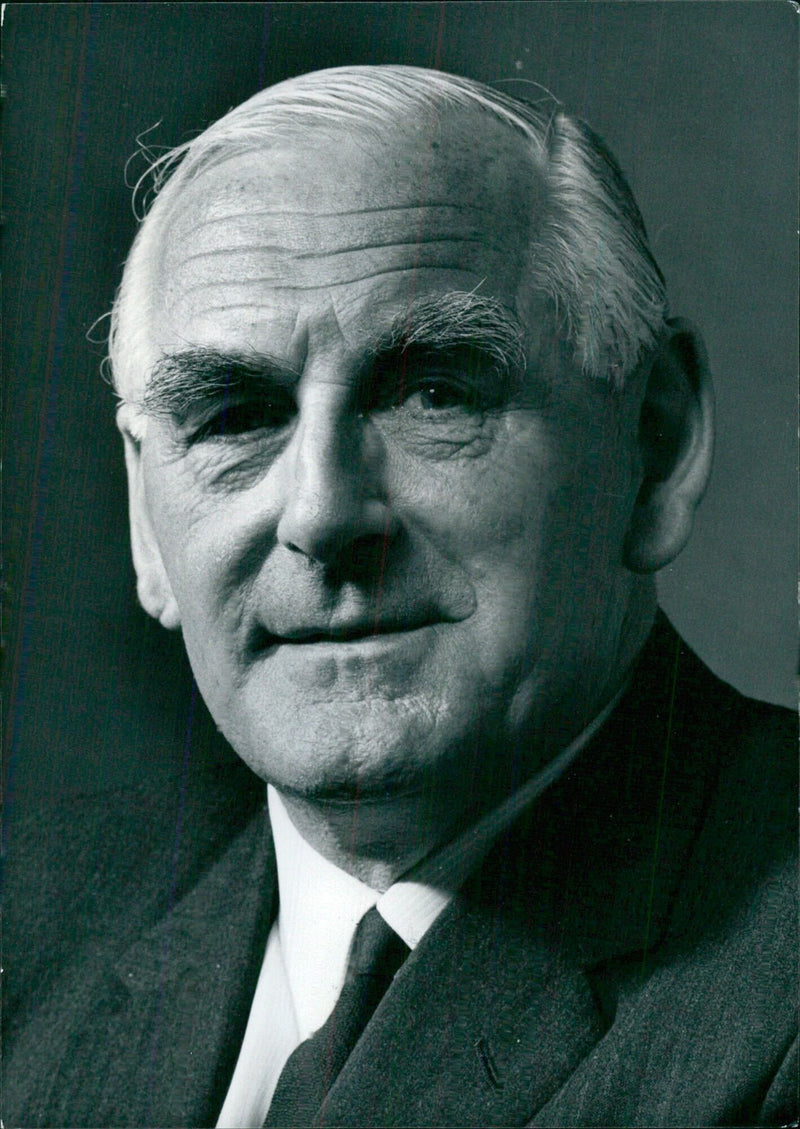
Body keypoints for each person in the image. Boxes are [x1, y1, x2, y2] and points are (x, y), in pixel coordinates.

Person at [5, 65, 796, 1128]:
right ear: (149, 524)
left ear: (651, 445)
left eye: (433, 390)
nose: (324, 516)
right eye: (236, 416)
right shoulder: (26, 928)